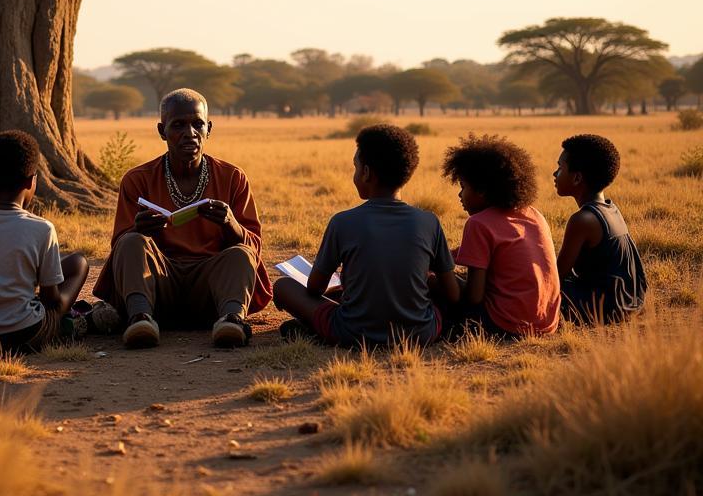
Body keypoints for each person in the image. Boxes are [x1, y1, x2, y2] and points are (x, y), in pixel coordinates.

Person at [93, 88, 272, 349]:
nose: (190, 133)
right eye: (178, 125)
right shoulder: (138, 179)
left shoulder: (233, 177)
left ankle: (231, 320)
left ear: (208, 128)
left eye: (197, 124)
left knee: (241, 254)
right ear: (161, 131)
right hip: (158, 287)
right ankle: (140, 319)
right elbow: (120, 248)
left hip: (210, 290)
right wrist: (139, 229)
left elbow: (254, 248)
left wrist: (230, 223)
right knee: (131, 242)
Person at [273, 123, 458, 349]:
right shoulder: (429, 221)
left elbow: (314, 289)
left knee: (284, 287)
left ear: (367, 173)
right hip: (420, 334)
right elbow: (452, 294)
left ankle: (312, 329)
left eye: (356, 167)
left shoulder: (342, 222)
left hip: (351, 333)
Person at [0, 130, 89, 355]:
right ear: (31, 181)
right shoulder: (42, 228)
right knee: (79, 263)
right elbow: (50, 298)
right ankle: (67, 324)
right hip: (21, 335)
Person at [441, 134, 560, 338]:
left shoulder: (478, 223)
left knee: (437, 286)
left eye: (463, 186)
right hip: (547, 322)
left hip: (506, 325)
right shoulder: (533, 214)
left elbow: (474, 297)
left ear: (483, 190)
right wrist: (443, 257)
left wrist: (442, 278)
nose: (459, 195)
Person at [554, 134, 647, 324]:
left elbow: (557, 276)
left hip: (605, 308)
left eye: (560, 168)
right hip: (630, 301)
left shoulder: (582, 220)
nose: (555, 174)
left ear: (577, 178)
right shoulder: (610, 209)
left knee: (537, 290)